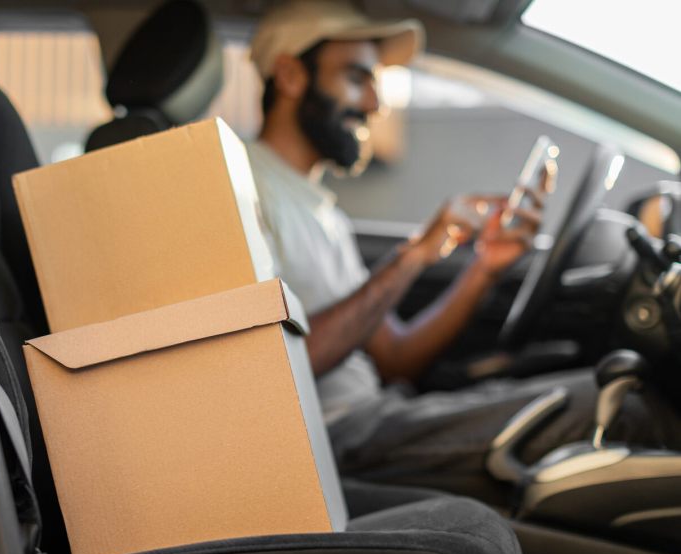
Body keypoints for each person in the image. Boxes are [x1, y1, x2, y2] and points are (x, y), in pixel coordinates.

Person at [245, 0, 657, 503]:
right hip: (341, 438)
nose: (375, 104)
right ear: (289, 75)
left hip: (382, 414)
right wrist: (414, 256)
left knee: (613, 390)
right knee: (624, 406)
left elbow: (394, 356)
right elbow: (271, 374)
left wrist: (483, 268)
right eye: (357, 78)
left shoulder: (319, 207)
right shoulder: (239, 185)